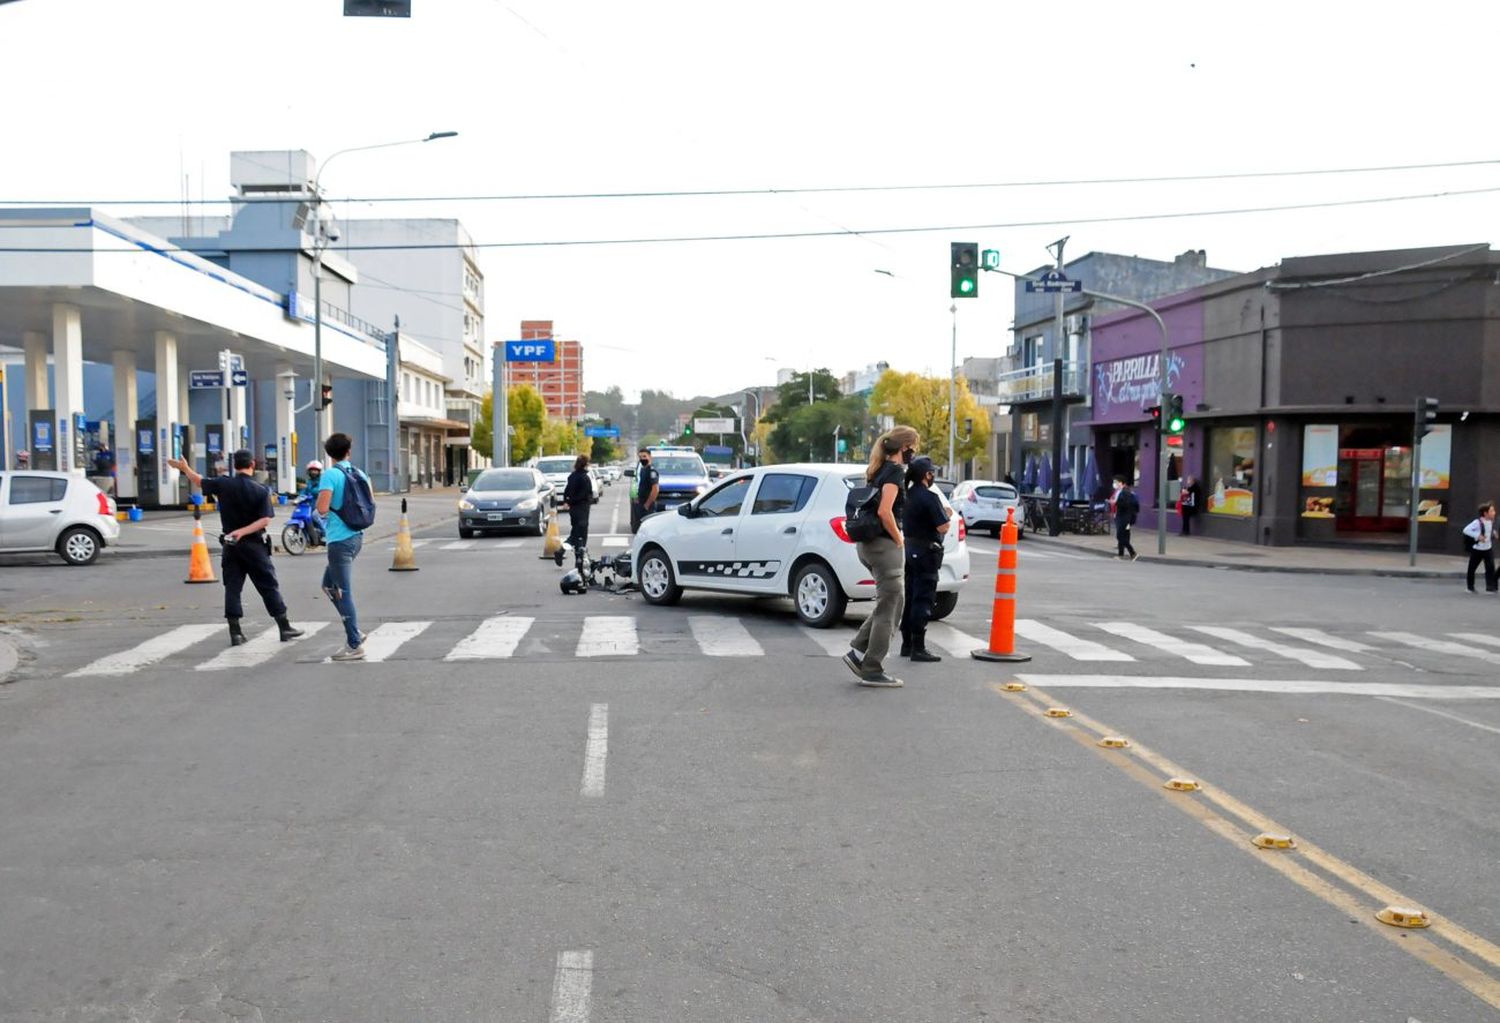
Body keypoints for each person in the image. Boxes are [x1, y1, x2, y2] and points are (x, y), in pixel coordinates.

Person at [167, 449, 305, 647]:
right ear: (253, 465)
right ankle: (284, 627)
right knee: (268, 586)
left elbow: (199, 481)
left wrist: (184, 468)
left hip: (231, 546)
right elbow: (265, 519)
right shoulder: (260, 490)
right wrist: (244, 531)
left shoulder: (224, 484)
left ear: (235, 466)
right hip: (254, 546)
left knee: (232, 588)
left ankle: (236, 633)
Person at [842, 425, 919, 688]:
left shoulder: (877, 469)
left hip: (869, 545)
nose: (915, 453)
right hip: (884, 547)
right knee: (892, 607)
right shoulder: (895, 471)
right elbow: (886, 512)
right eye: (913, 447)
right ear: (904, 447)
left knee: (889, 603)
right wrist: (899, 540)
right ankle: (872, 668)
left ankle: (858, 652)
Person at [316, 432, 370, 661]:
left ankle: (354, 643)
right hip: (357, 536)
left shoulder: (330, 475)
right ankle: (355, 631)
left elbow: (322, 508)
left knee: (341, 591)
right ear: (349, 450)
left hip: (339, 540)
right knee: (328, 585)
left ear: (329, 454)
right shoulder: (359, 473)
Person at [898, 455, 951, 663]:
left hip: (910, 549)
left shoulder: (907, 495)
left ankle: (906, 644)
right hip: (927, 553)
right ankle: (918, 648)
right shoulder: (929, 497)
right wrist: (946, 515)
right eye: (932, 473)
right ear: (926, 475)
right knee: (923, 598)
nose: (933, 477)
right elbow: (943, 526)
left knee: (910, 597)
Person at [561, 454, 594, 566]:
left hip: (573, 510)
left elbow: (566, 491)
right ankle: (578, 559)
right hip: (582, 509)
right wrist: (588, 499)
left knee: (575, 532)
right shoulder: (584, 478)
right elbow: (587, 493)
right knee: (581, 536)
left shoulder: (572, 476)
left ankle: (562, 551)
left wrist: (567, 501)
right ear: (586, 464)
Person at [1462, 501, 1497, 594]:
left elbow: (1489, 531)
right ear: (1485, 513)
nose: (1494, 513)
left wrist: (1493, 534)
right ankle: (1470, 587)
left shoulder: (1491, 521)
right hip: (1477, 549)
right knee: (1472, 568)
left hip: (1488, 548)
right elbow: (1466, 530)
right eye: (1492, 511)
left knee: (1490, 568)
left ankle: (1490, 587)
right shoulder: (1477, 522)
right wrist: (1477, 536)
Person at [630, 449, 660, 534]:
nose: (642, 459)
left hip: (648, 507)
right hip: (641, 504)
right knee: (640, 530)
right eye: (640, 457)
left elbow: (655, 490)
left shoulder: (651, 471)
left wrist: (647, 505)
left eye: (644, 456)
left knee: (648, 531)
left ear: (650, 457)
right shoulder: (643, 470)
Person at [299, 460, 326, 547]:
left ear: (319, 472)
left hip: (320, 505)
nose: (313, 472)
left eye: (315, 470)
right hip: (309, 506)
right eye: (312, 470)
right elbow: (303, 492)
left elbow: (319, 491)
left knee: (314, 516)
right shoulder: (308, 482)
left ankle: (325, 534)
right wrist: (300, 497)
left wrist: (311, 492)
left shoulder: (322, 481)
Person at [1113, 476, 1140, 560]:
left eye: (1116, 482)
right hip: (1121, 516)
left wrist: (1115, 502)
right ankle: (1121, 554)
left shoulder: (1126, 492)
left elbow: (1125, 504)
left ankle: (1133, 553)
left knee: (1120, 536)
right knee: (1123, 534)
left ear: (1122, 483)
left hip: (1124, 517)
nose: (1115, 484)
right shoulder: (1120, 491)